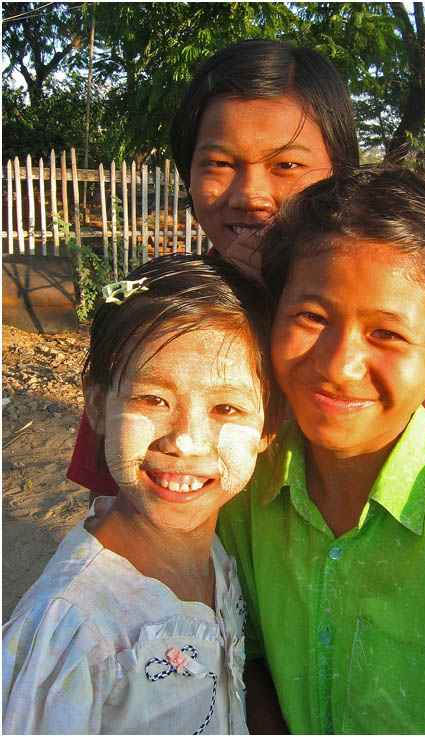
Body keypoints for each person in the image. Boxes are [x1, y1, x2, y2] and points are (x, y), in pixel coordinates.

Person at [217, 165, 425, 735]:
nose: (337, 366)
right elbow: (242, 662)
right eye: (311, 317)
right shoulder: (245, 495)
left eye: (387, 334)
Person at [67, 39, 425, 500]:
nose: (251, 194)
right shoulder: (156, 312)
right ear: (187, 171)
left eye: (286, 164)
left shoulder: (377, 324)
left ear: (340, 171)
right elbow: (107, 496)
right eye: (220, 163)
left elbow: (423, 480)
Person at [3, 254, 281, 734]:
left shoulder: (216, 554)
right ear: (97, 404)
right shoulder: (73, 630)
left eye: (226, 408)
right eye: (152, 399)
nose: (185, 441)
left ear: (269, 428)